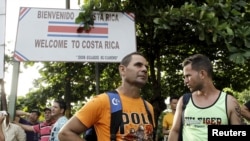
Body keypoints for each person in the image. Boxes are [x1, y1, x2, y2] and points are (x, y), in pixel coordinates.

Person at [58, 52, 155, 140]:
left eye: (146, 67)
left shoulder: (148, 107)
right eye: (138, 65)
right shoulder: (102, 101)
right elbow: (65, 133)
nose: (144, 69)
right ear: (122, 70)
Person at [168, 54, 244, 141]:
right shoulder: (184, 101)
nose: (185, 81)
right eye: (184, 77)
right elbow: (175, 131)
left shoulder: (229, 102)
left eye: (188, 76)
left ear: (202, 74)